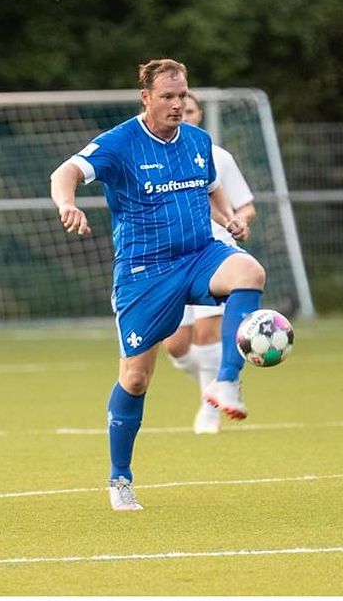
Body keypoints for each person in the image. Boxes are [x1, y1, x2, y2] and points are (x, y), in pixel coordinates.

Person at [49, 59, 266, 511]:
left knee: (250, 273)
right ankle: (120, 477)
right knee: (135, 378)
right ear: (145, 97)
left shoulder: (198, 141)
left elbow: (210, 187)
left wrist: (228, 218)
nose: (177, 104)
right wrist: (68, 204)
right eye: (167, 96)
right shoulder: (120, 142)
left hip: (200, 254)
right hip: (144, 272)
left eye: (182, 95)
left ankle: (226, 381)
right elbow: (63, 173)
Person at [162, 91, 258, 435]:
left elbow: (244, 205)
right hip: (172, 257)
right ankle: (215, 381)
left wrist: (238, 220)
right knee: (176, 345)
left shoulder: (217, 156)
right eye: (178, 110)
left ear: (199, 115)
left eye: (190, 110)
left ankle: (212, 407)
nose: (184, 115)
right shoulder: (155, 155)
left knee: (207, 333)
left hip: (214, 256)